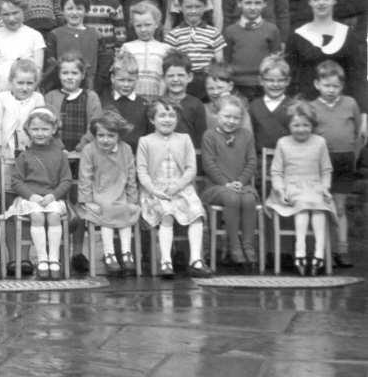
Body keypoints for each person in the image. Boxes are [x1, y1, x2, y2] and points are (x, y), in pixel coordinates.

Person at [137, 97, 210, 278]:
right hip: (155, 191)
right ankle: (165, 261)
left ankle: (195, 259)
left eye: (171, 115)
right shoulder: (145, 141)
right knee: (167, 214)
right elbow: (142, 172)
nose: (167, 119)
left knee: (196, 213)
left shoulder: (184, 139)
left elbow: (191, 168)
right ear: (152, 120)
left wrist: (178, 186)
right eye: (162, 115)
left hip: (181, 188)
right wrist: (154, 190)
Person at [264, 101, 337, 276]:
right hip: (291, 187)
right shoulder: (283, 143)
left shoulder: (320, 142)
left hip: (315, 186)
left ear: (312, 125)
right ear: (289, 125)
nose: (301, 129)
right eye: (296, 125)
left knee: (318, 206)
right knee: (303, 207)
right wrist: (280, 190)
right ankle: (300, 250)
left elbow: (326, 170)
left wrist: (325, 187)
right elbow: (276, 171)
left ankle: (318, 253)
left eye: (306, 125)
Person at [307, 60, 364, 268]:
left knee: (339, 207)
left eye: (336, 86)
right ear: (317, 84)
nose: (331, 90)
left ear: (342, 86)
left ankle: (342, 249)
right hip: (321, 164)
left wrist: (353, 156)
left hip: (345, 162)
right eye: (327, 85)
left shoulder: (350, 103)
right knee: (322, 206)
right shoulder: (312, 107)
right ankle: (322, 251)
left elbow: (358, 132)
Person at [3, 107, 72, 280]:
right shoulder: (25, 156)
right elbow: (16, 181)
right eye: (35, 129)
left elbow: (66, 181)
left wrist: (54, 195)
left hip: (52, 197)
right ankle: (42, 259)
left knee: (54, 216)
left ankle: (53, 259)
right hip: (30, 198)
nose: (39, 133)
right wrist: (31, 196)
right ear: (28, 130)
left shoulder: (60, 155)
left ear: (53, 130)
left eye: (44, 129)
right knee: (37, 216)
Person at [286, 0, 368, 109]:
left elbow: (358, 78)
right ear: (310, 2)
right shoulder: (297, 36)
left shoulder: (348, 35)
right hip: (308, 112)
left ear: (334, 0)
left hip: (343, 113)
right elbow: (290, 80)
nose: (321, 3)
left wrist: (364, 114)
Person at [76, 112, 140, 276]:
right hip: (99, 192)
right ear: (95, 135)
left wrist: (133, 199)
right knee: (106, 210)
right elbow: (85, 177)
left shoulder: (125, 150)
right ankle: (109, 252)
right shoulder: (89, 150)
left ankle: (126, 253)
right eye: (101, 135)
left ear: (118, 136)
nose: (105, 140)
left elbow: (131, 176)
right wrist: (87, 201)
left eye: (110, 136)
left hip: (120, 190)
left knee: (125, 208)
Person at [200, 95, 259, 267]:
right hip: (217, 187)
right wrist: (226, 183)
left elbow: (252, 161)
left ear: (241, 118)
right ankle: (234, 246)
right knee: (232, 198)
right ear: (217, 115)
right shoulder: (209, 136)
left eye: (236, 117)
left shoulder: (246, 135)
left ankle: (248, 246)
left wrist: (240, 181)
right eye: (227, 116)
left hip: (242, 186)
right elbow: (209, 164)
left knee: (249, 199)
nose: (231, 121)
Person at [164, 0, 225, 100]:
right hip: (183, 81)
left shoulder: (213, 33)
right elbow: (170, 61)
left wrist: (213, 73)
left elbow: (219, 60)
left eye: (197, 7)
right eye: (189, 7)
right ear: (180, 7)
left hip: (206, 81)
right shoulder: (174, 34)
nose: (193, 11)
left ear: (205, 7)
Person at [223, 0, 283, 102]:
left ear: (265, 4)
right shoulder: (230, 31)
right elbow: (227, 61)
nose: (252, 7)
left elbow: (276, 61)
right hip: (238, 86)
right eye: (248, 3)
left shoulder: (272, 30)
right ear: (239, 3)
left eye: (257, 3)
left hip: (263, 86)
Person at [0, 0, 45, 98]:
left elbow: (38, 70)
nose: (11, 18)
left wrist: (25, 95)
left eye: (15, 13)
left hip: (28, 96)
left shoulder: (35, 36)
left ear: (23, 10)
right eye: (6, 14)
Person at [79, 0, 125, 96]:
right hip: (83, 53)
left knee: (101, 89)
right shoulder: (79, 3)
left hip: (106, 56)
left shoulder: (113, 4)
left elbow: (120, 34)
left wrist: (117, 57)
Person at [43, 0, 99, 94]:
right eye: (70, 8)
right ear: (62, 10)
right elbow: (51, 65)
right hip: (61, 88)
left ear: (86, 10)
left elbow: (102, 65)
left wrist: (96, 87)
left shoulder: (95, 35)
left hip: (89, 89)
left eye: (79, 8)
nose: (74, 13)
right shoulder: (55, 35)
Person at [0, 59, 46, 163]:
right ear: (11, 81)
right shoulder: (2, 98)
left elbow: (41, 125)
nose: (25, 88)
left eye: (29, 83)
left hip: (31, 152)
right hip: (6, 153)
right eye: (20, 83)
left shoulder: (37, 99)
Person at [44, 53, 102, 152]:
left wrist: (82, 146)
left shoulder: (91, 97)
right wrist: (59, 147)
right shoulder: (50, 97)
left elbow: (95, 125)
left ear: (83, 75)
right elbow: (46, 125)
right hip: (56, 152)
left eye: (74, 73)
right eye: (65, 73)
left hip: (85, 152)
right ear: (59, 75)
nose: (69, 77)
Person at [121, 2, 171, 100]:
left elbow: (167, 75)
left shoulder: (165, 49)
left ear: (156, 24)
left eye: (148, 25)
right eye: (138, 26)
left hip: (158, 98)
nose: (143, 29)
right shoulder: (127, 48)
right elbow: (122, 74)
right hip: (132, 98)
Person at [162, 51, 208, 149]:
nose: (175, 79)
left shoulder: (196, 105)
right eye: (170, 76)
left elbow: (201, 138)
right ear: (163, 78)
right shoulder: (158, 104)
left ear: (190, 77)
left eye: (180, 75)